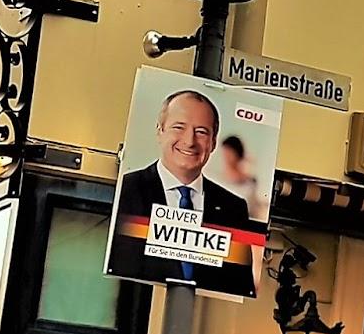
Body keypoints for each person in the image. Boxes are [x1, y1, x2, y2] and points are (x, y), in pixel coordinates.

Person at [109, 89, 259, 297]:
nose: (190, 141)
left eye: (201, 132)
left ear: (213, 142)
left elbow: (239, 285)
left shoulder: (234, 208)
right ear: (159, 131)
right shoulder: (126, 191)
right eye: (178, 127)